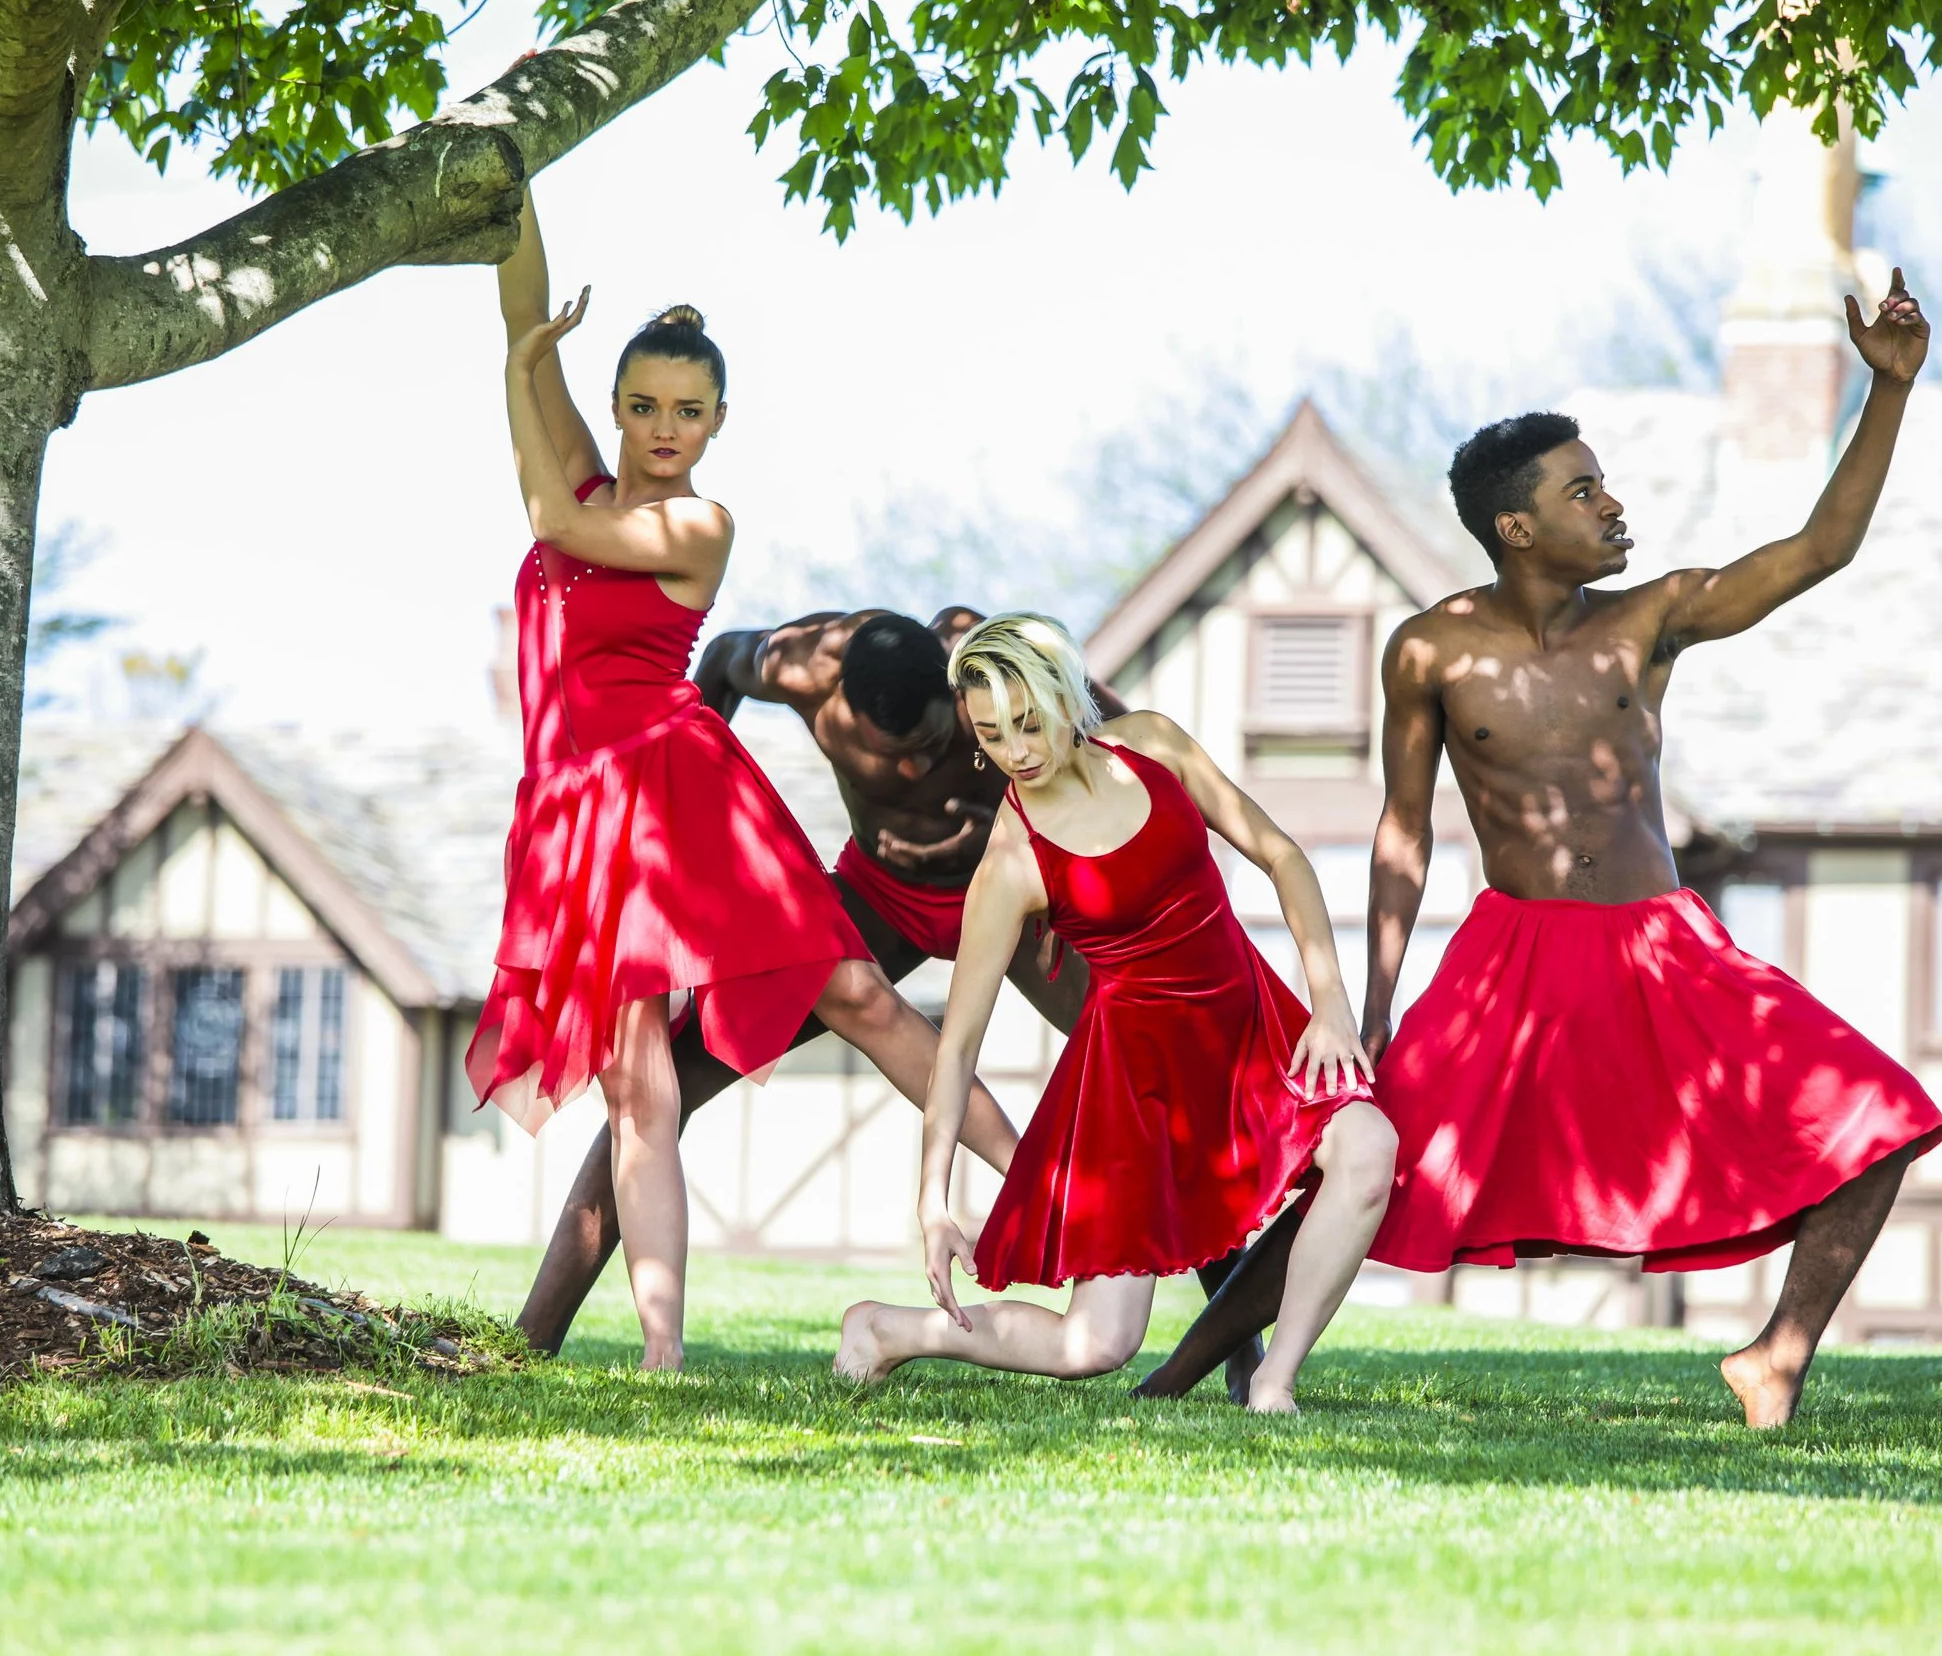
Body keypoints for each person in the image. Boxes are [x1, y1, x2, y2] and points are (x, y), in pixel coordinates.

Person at [1136, 271, 1942, 1428]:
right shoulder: (1427, 650)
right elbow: (1403, 827)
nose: (1613, 506)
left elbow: (1823, 544)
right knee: (1357, 1175)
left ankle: (1775, 1353)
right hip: (1507, 961)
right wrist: (1370, 1006)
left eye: (1606, 484)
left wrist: (1888, 388)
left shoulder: (1653, 613)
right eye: (1585, 490)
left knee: (1878, 1117)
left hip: (1665, 949)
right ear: (1517, 526)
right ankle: (1177, 1371)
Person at [470, 186, 1018, 1371]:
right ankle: (661, 1353)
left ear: (718, 422)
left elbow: (546, 525)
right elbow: (519, 299)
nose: (666, 428)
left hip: (687, 801)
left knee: (864, 1003)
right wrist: (508, 182)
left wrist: (521, 373)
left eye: (690, 411)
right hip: (582, 821)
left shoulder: (697, 525)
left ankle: (1047, 1195)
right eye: (645, 406)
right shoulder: (586, 479)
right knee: (639, 1097)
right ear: (616, 407)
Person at [517, 606, 1273, 1399]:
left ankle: (1235, 1344)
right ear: (839, 708)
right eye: (892, 756)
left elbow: (1116, 742)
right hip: (879, 899)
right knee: (663, 1079)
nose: (914, 773)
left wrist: (1088, 878)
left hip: (1016, 907)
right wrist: (682, 825)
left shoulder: (985, 670)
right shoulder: (795, 666)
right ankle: (535, 1333)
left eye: (931, 747)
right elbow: (706, 679)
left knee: (1171, 1073)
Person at [832, 614, 1399, 1413]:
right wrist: (932, 1200)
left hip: (1249, 1028)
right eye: (991, 736)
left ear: (1066, 695)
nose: (1015, 753)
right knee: (1095, 1344)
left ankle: (1273, 1382)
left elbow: (1281, 854)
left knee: (1370, 1149)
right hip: (1137, 1087)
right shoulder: (1011, 859)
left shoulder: (1154, 745)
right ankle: (888, 1329)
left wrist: (1330, 999)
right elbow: (955, 1048)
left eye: (1029, 724)